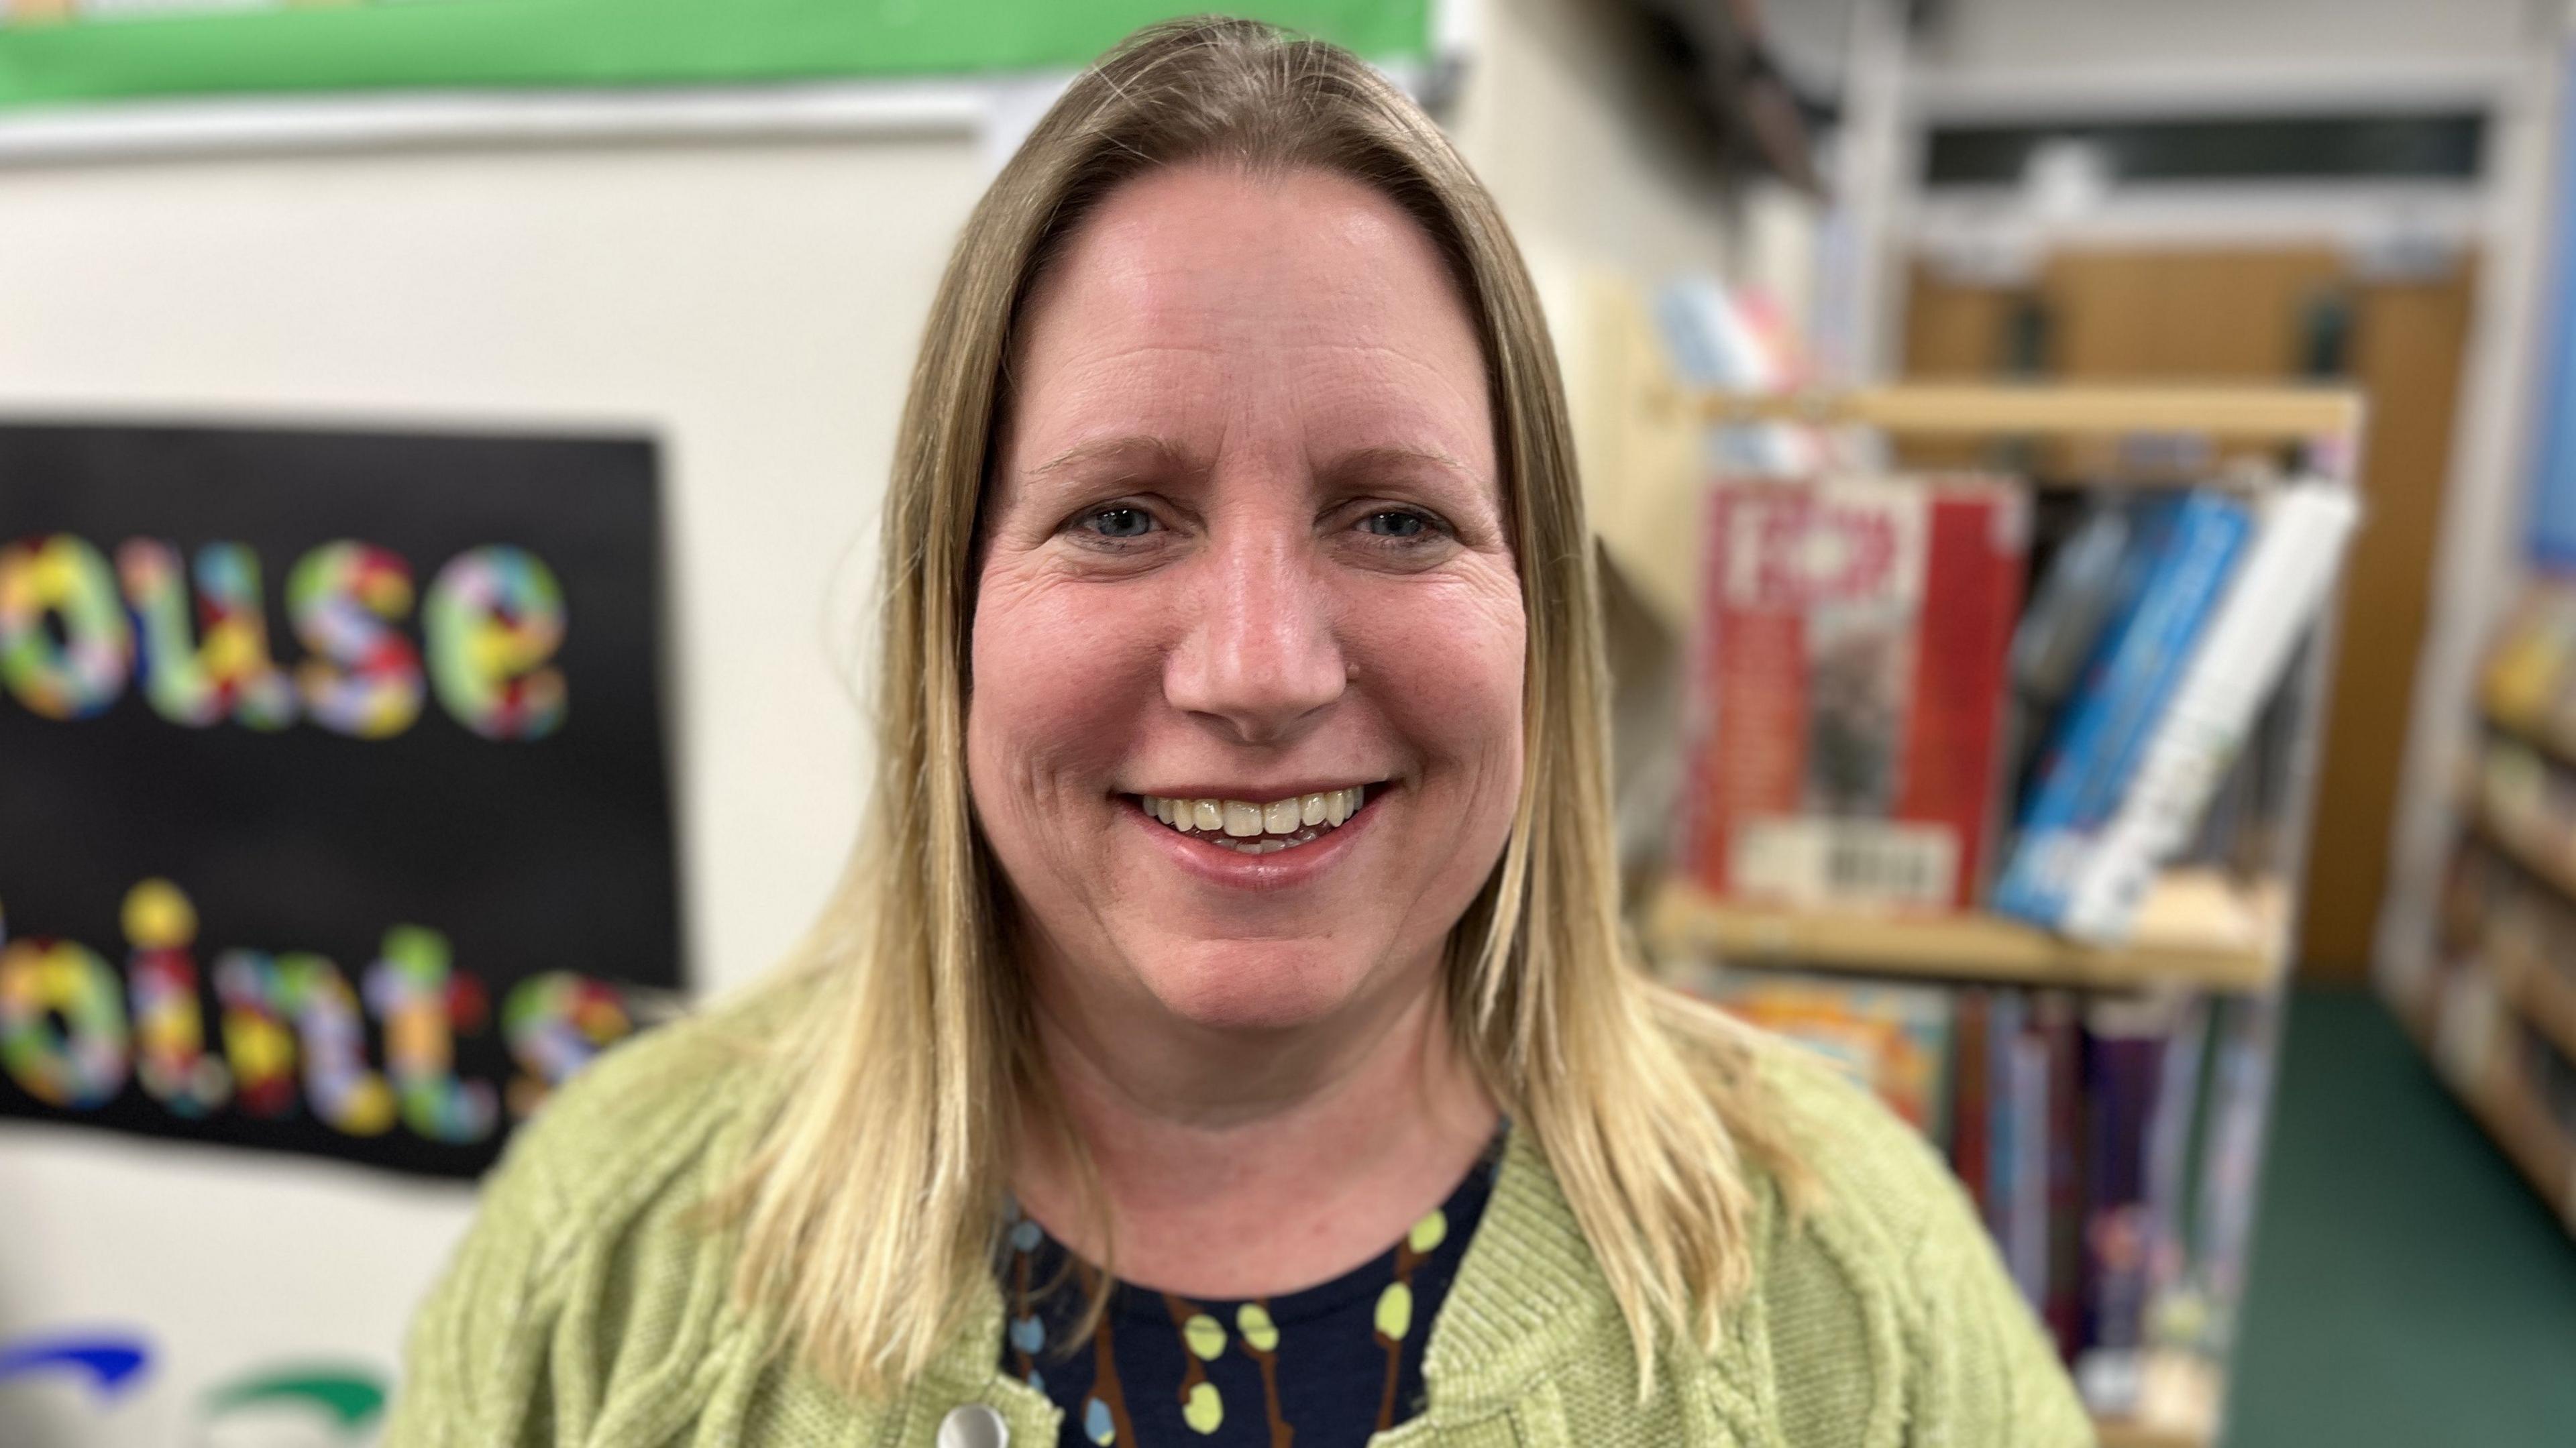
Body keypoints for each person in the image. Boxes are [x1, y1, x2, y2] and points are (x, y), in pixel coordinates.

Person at [390, 17, 2088, 1447]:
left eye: (1398, 518)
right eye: (1123, 516)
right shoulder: (608, 1246)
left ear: (1539, 620)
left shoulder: (1845, 1282)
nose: (1261, 670)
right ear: (951, 612)